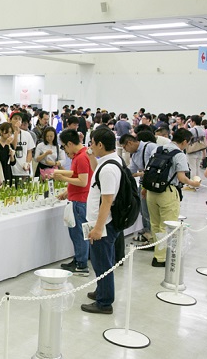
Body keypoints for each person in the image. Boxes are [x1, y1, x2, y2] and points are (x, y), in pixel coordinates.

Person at [80, 128, 122, 314]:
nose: (90, 146)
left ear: (100, 144)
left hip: (103, 225)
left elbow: (107, 200)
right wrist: (91, 158)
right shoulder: (109, 161)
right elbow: (98, 175)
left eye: (92, 143)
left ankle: (104, 302)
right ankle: (101, 290)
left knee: (102, 262)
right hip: (102, 223)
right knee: (101, 260)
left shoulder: (109, 169)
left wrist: (98, 228)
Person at [147, 128, 201, 266]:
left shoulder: (157, 149)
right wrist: (194, 183)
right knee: (167, 226)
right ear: (184, 141)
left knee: (155, 224)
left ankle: (157, 252)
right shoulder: (179, 154)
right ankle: (161, 258)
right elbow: (181, 178)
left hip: (151, 192)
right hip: (168, 192)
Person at [54, 129, 92, 277]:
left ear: (70, 143)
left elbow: (83, 181)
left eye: (64, 146)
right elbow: (77, 174)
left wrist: (63, 178)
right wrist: (66, 190)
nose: (65, 149)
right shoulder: (82, 155)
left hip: (80, 201)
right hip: (78, 199)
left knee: (79, 234)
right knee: (76, 233)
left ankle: (81, 265)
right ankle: (78, 259)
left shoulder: (81, 157)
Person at [120, 133, 158, 243]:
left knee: (152, 212)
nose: (125, 150)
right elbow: (131, 171)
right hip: (143, 184)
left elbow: (156, 167)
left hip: (154, 185)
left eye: (124, 147)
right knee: (144, 211)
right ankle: (147, 234)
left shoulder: (150, 147)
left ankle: (154, 237)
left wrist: (141, 174)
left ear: (130, 143)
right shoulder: (135, 155)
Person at [10, 112, 35, 181]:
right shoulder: (8, 134)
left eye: (19, 119)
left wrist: (27, 163)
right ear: (10, 120)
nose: (17, 120)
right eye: (15, 118)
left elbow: (29, 152)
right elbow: (13, 147)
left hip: (24, 169)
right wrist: (16, 131)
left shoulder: (27, 134)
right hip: (12, 169)